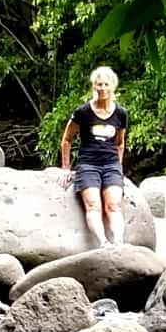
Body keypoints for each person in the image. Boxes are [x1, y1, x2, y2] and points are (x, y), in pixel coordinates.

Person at [59, 66, 128, 247]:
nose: (102, 88)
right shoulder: (83, 112)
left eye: (106, 84)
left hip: (111, 165)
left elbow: (120, 143)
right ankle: (103, 243)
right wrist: (66, 168)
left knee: (113, 206)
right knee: (93, 206)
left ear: (112, 86)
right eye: (99, 84)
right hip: (88, 165)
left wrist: (119, 167)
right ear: (94, 86)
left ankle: (119, 242)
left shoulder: (121, 113)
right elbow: (66, 139)